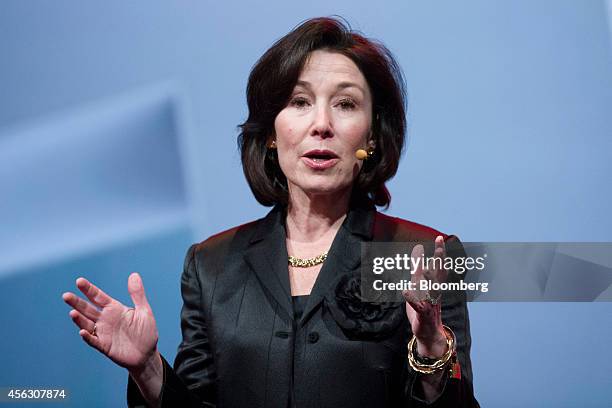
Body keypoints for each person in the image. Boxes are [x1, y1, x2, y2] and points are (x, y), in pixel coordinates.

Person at [62, 17, 479, 408]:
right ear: (272, 134)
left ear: (371, 135)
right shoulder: (212, 265)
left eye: (346, 104)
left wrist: (431, 350)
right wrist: (148, 369)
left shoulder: (423, 255)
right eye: (299, 101)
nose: (321, 124)